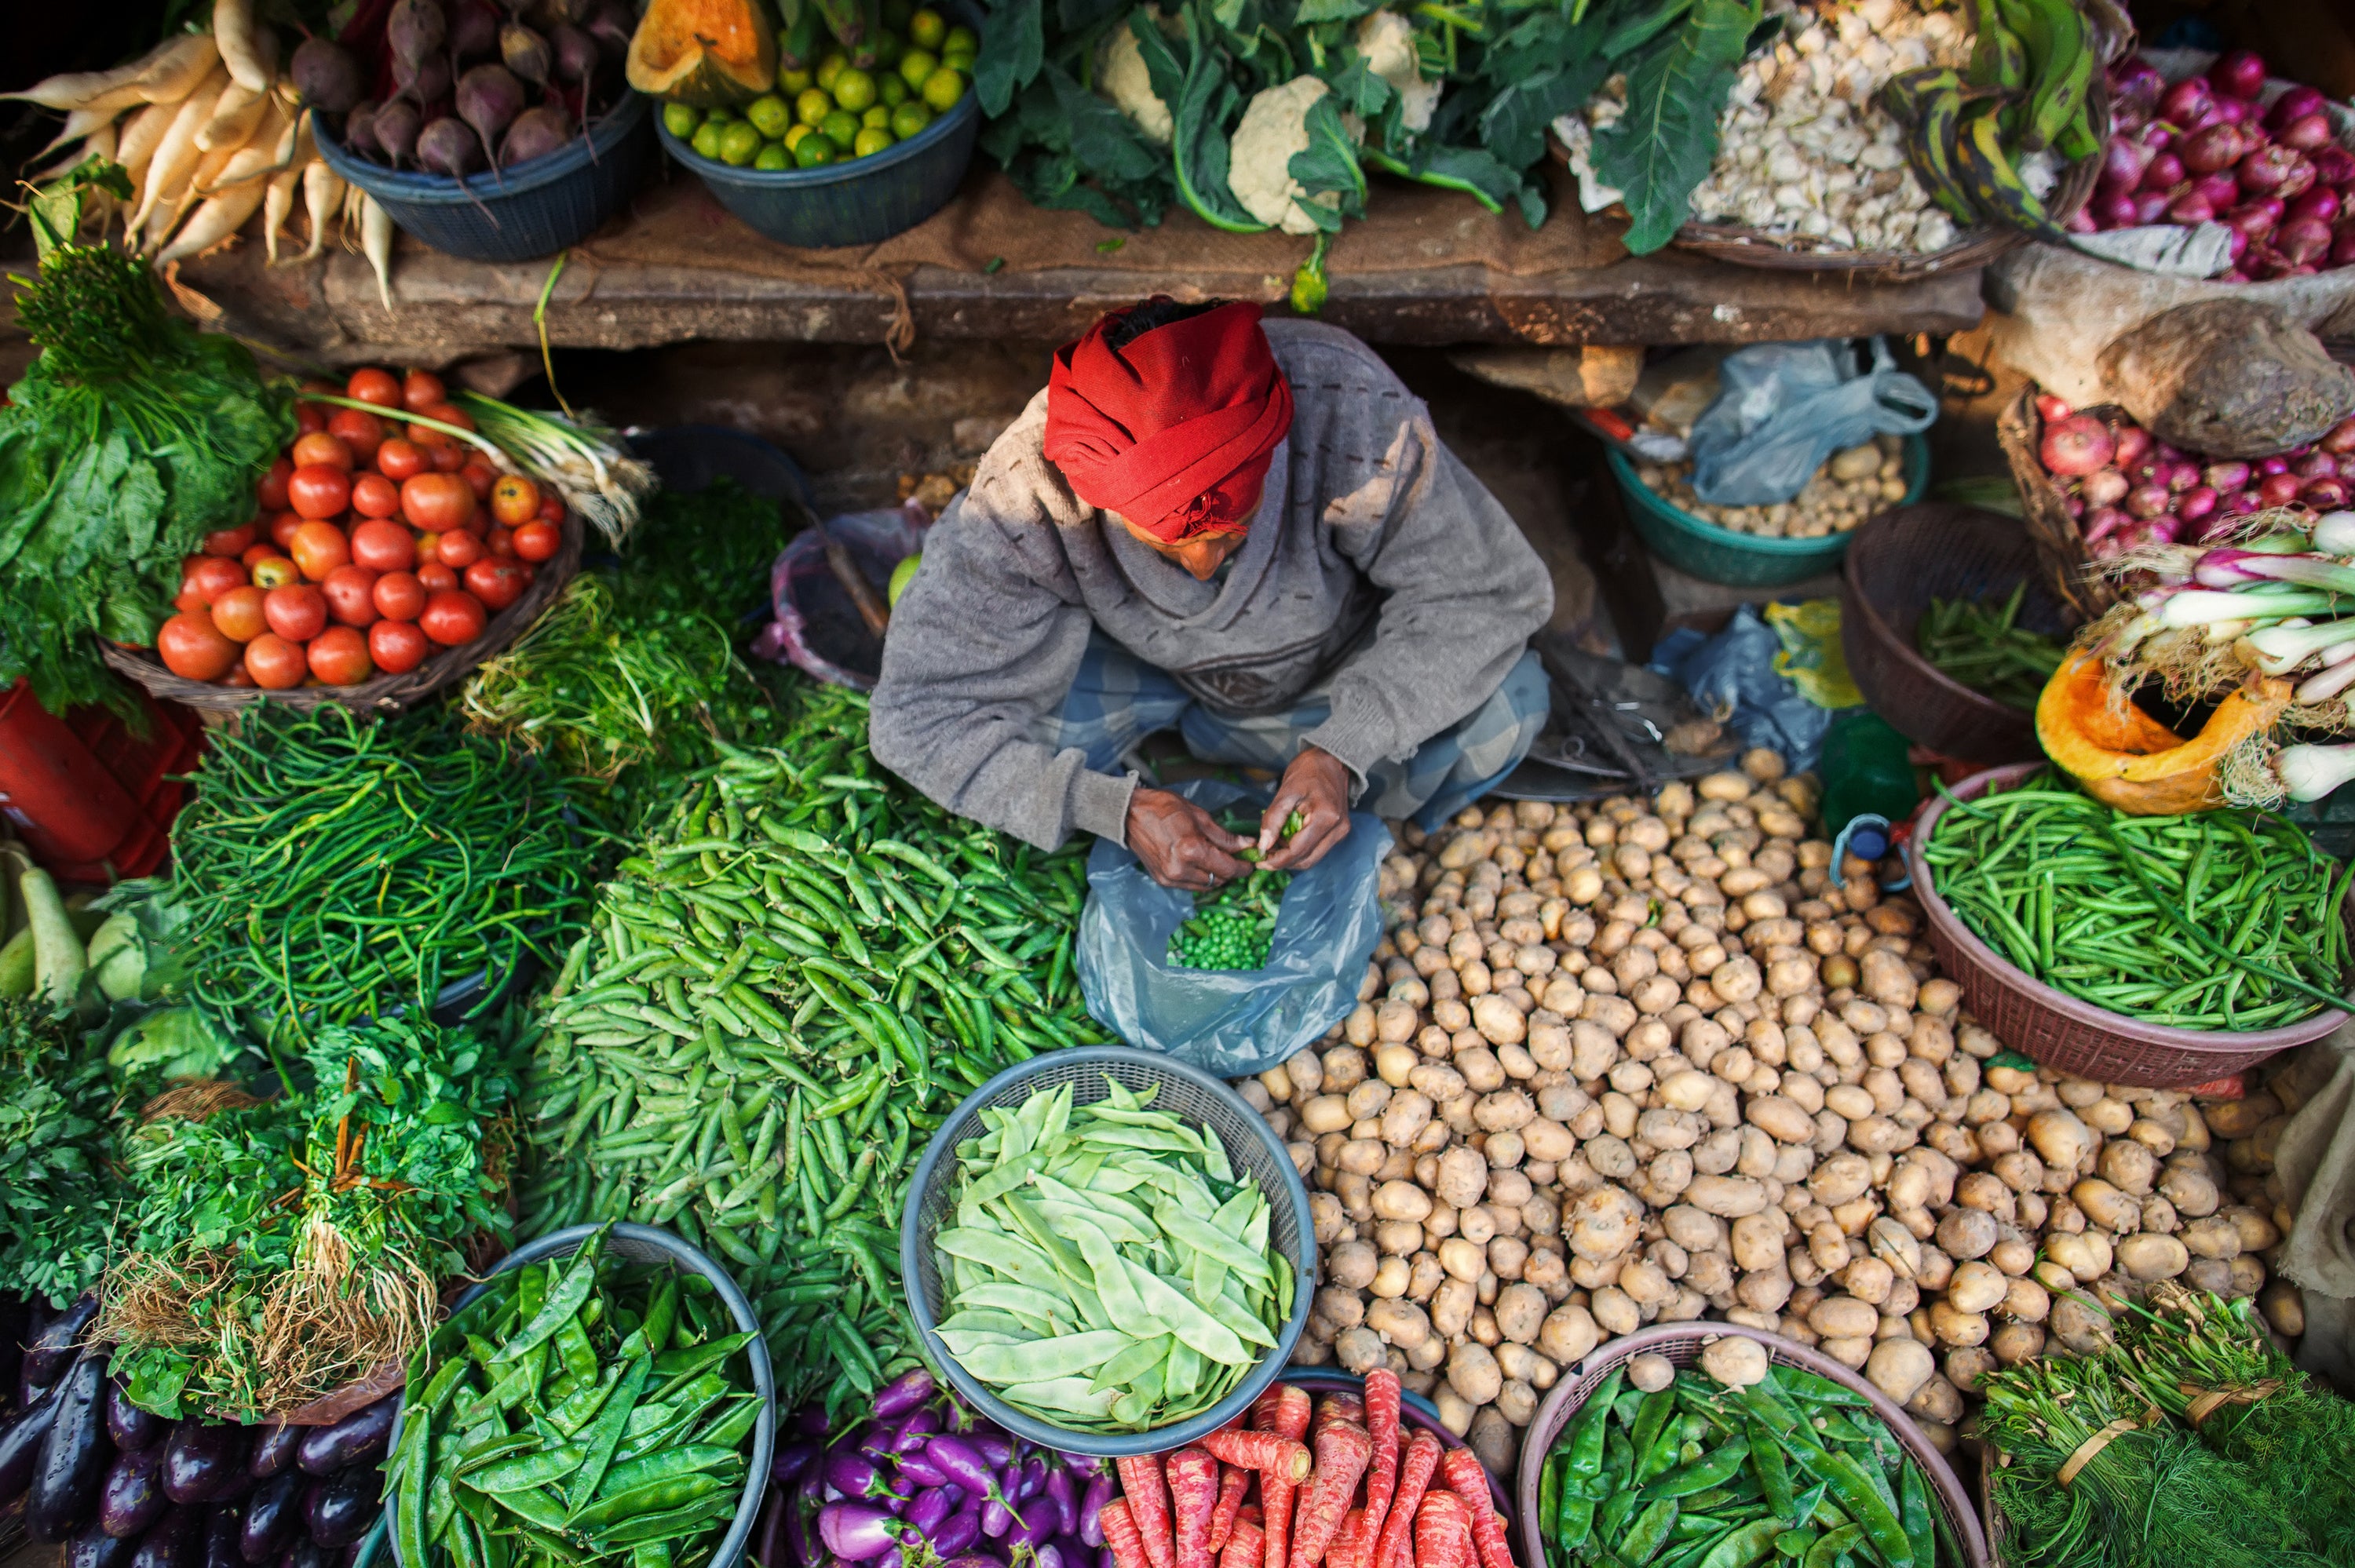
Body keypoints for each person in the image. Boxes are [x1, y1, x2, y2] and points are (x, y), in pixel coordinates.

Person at [868, 297, 1554, 890]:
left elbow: (1485, 595)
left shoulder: (1344, 404)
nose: (1201, 567)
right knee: (983, 742)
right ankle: (1178, 767)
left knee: (1511, 707)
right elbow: (917, 717)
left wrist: (1342, 750)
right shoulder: (1029, 490)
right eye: (1164, 544)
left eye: (1236, 532)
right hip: (1145, 678)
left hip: (1328, 670)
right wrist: (1114, 808)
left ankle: (1282, 774)